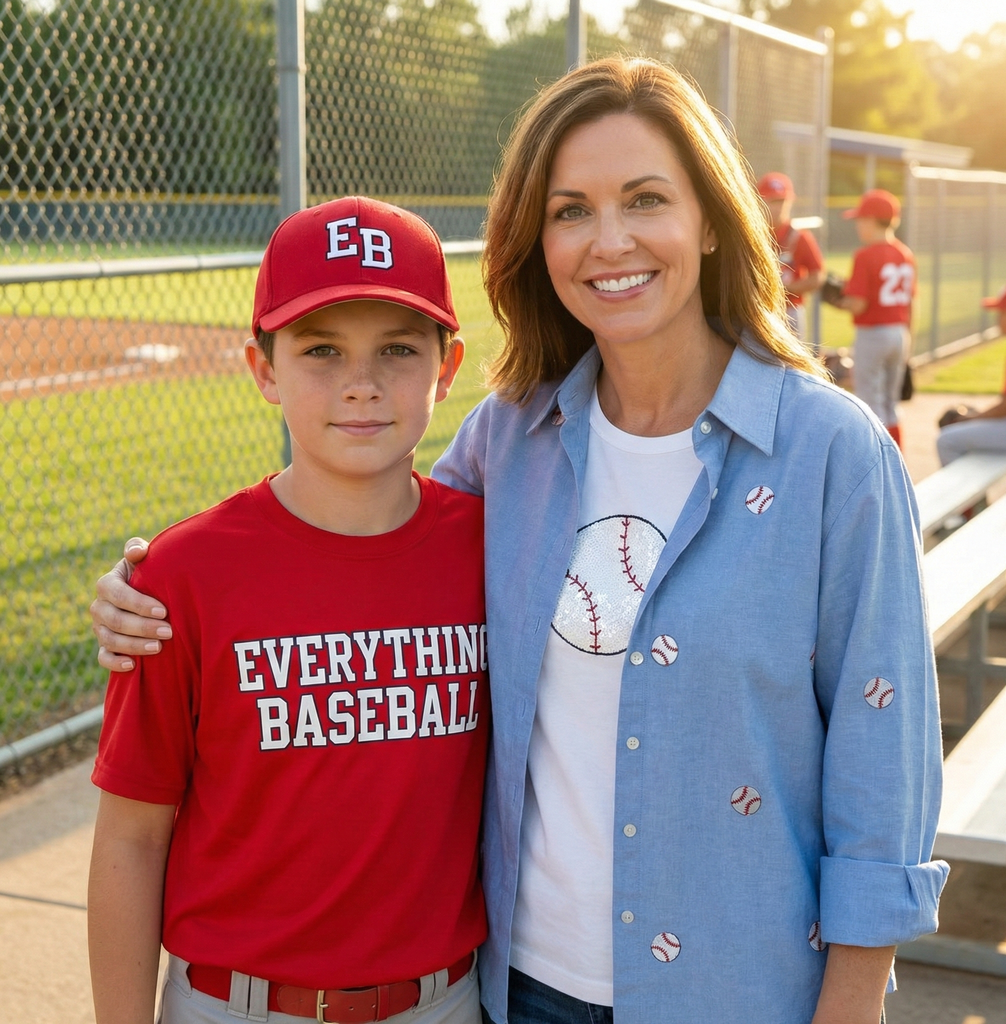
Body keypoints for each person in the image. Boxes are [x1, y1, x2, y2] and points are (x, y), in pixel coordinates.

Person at [91, 58, 948, 1024]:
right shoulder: (513, 440)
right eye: (571, 209)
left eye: (646, 199)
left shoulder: (833, 456)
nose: (608, 239)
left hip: (733, 992)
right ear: (537, 242)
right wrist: (146, 587)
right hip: (516, 992)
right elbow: (357, 535)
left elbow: (884, 791)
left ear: (710, 219)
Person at [87, 196, 488, 1024]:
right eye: (321, 350)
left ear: (446, 371)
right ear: (263, 369)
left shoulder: (496, 550)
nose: (362, 384)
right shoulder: (183, 576)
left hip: (443, 1002)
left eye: (399, 349)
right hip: (238, 1005)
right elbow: (131, 838)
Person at [836, 188, 916, 449]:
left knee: (870, 403)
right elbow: (910, 303)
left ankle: (880, 465)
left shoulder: (865, 254)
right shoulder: (905, 253)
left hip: (873, 334)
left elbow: (858, 304)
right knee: (891, 404)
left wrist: (837, 299)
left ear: (872, 221)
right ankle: (899, 458)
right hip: (899, 333)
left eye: (861, 220)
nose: (858, 225)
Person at [936, 280, 1006, 466]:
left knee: (947, 440)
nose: (997, 319)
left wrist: (970, 419)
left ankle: (969, 495)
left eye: (1003, 312)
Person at [756, 171, 825, 346]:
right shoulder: (752, 235)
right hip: (758, 310)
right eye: (773, 201)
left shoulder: (799, 237)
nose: (778, 208)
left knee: (793, 366)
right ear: (759, 201)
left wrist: (785, 289)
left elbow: (818, 276)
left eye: (783, 201)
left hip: (790, 311)